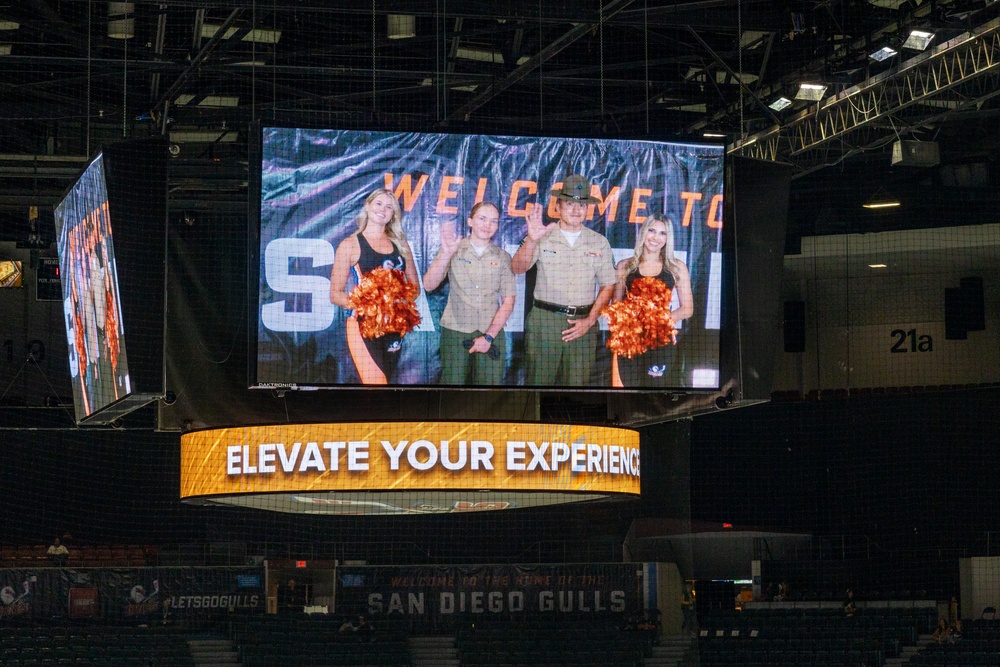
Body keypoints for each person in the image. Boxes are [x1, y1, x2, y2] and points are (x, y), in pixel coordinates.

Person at [511, 174, 617, 386]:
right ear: (557, 206)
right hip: (545, 322)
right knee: (538, 387)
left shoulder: (599, 242)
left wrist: (590, 320)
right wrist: (532, 239)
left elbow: (608, 285)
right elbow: (517, 268)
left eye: (581, 204)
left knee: (577, 389)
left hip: (583, 324)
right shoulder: (541, 236)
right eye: (569, 203)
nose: (576, 210)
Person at [329, 189, 420, 384]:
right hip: (362, 325)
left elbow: (415, 288)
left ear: (393, 214)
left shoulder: (401, 244)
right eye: (378, 203)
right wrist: (371, 305)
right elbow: (335, 295)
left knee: (387, 380)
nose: (383, 209)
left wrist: (398, 303)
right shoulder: (350, 245)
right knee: (375, 383)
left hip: (394, 327)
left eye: (389, 207)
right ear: (368, 206)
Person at [422, 202, 516, 385]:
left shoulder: (503, 257)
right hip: (456, 330)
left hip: (492, 331)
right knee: (452, 388)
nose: (487, 225)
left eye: (493, 221)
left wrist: (489, 336)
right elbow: (428, 285)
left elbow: (508, 302)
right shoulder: (453, 249)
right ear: (470, 221)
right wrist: (447, 254)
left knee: (489, 392)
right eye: (482, 218)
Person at [611, 214, 693, 387]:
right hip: (629, 342)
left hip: (660, 342)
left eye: (663, 233)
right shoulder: (624, 266)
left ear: (668, 238)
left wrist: (660, 321)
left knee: (654, 394)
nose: (656, 238)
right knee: (628, 392)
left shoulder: (677, 267)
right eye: (652, 231)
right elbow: (615, 306)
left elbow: (687, 309)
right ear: (643, 233)